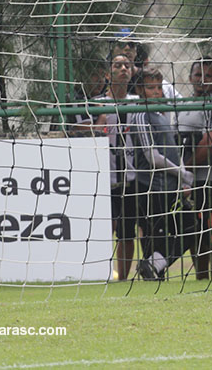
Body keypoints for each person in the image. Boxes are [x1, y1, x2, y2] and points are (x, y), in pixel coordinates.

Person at [78, 53, 140, 280]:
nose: (123, 68)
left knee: (127, 231)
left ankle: (123, 278)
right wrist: (102, 119)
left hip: (131, 175)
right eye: (117, 65)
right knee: (107, 227)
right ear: (108, 73)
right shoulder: (97, 104)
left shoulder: (136, 102)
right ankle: (98, 273)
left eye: (127, 65)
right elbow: (85, 132)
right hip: (105, 175)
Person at [131, 68, 197, 280]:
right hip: (152, 186)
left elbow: (172, 150)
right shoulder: (141, 115)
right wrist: (181, 173)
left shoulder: (163, 115)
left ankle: (153, 265)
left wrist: (183, 177)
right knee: (156, 232)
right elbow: (152, 156)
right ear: (140, 90)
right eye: (151, 88)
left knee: (190, 225)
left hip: (171, 186)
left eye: (159, 87)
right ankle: (154, 270)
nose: (157, 92)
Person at [176, 57, 212, 280]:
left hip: (209, 178)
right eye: (198, 75)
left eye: (208, 76)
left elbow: (211, 142)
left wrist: (184, 169)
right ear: (190, 78)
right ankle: (201, 277)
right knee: (194, 232)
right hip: (183, 180)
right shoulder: (182, 106)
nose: (202, 80)